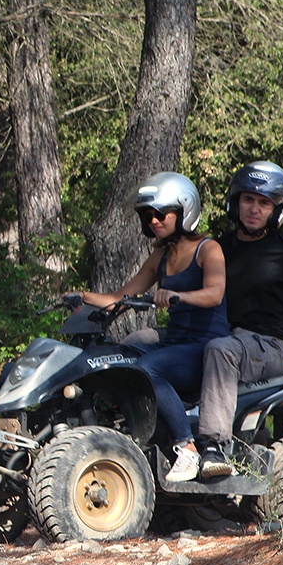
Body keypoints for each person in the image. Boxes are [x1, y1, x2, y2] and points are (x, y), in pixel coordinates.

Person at [71, 171, 228, 483]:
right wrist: (81, 296)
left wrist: (177, 295)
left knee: (147, 368)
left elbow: (215, 293)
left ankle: (187, 449)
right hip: (175, 344)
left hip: (205, 347)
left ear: (184, 210)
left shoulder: (208, 249)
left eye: (161, 214)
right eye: (148, 216)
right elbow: (118, 299)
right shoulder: (161, 256)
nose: (154, 221)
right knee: (117, 357)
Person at [197, 161, 283, 470]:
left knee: (221, 350)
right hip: (223, 337)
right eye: (248, 199)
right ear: (235, 201)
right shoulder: (217, 249)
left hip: (269, 347)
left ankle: (214, 448)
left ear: (277, 210)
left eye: (264, 203)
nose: (254, 209)